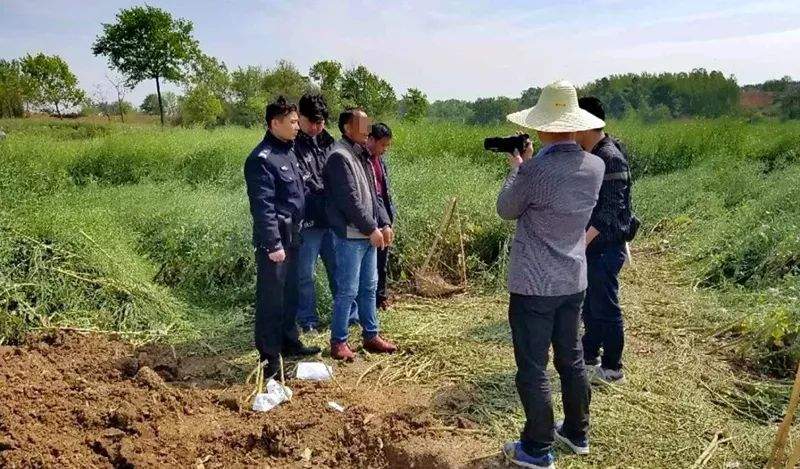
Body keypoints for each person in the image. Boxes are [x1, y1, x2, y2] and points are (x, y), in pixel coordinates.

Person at [497, 81, 606, 469]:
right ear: (575, 125)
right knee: (571, 359)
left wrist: (517, 170)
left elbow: (506, 209)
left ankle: (537, 448)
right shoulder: (596, 166)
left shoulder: (535, 170)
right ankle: (577, 432)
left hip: (534, 284)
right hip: (573, 279)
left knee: (532, 366)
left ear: (544, 127)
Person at [243, 96, 321, 380]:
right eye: (291, 122)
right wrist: (273, 244)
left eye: (297, 121)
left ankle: (290, 342)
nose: (297, 126)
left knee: (291, 295)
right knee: (271, 300)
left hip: (294, 236)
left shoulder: (288, 152)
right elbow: (262, 207)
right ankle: (269, 358)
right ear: (274, 123)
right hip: (275, 243)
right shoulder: (261, 160)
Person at [323, 108, 397, 360]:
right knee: (348, 290)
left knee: (369, 287)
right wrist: (371, 228)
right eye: (362, 126)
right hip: (350, 236)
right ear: (346, 129)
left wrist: (384, 223)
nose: (367, 131)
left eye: (368, 125)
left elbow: (374, 195)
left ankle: (371, 334)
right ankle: (339, 341)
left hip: (367, 234)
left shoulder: (362, 155)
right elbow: (349, 201)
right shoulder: (338, 156)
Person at [576, 96, 635, 385]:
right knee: (591, 306)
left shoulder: (609, 157)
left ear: (586, 124)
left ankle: (613, 369)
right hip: (594, 247)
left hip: (605, 247)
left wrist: (582, 241)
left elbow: (610, 212)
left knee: (606, 307)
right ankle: (589, 357)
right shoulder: (592, 153)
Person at [293, 93, 339, 333]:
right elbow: (304, 181)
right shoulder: (292, 144)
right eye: (311, 121)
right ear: (299, 116)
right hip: (308, 219)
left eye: (320, 122)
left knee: (338, 269)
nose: (315, 127)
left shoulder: (329, 142)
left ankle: (346, 316)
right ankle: (307, 320)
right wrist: (328, 191)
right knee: (305, 274)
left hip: (332, 219)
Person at [365, 123, 396, 310]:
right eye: (383, 145)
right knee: (370, 268)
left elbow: (384, 193)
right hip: (371, 221)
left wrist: (388, 221)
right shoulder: (363, 161)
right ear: (371, 140)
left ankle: (380, 298)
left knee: (382, 263)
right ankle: (370, 302)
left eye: (387, 145)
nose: (385, 149)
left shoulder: (380, 162)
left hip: (384, 218)